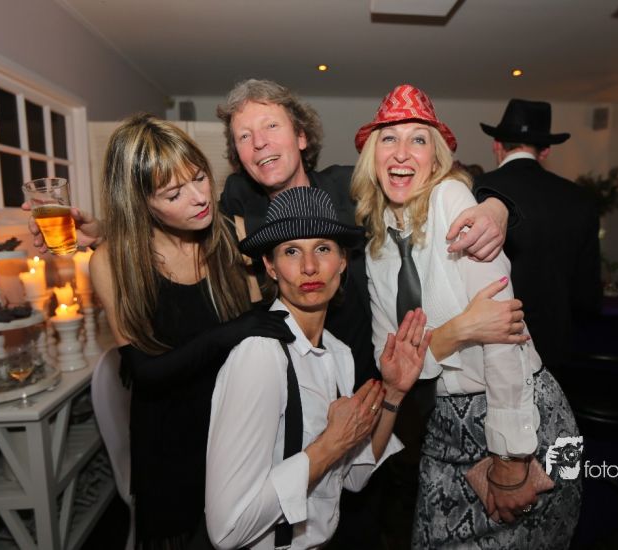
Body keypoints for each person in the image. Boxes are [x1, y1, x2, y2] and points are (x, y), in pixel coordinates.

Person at [215, 79, 530, 547]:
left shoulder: (352, 187)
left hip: (379, 383)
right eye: (245, 135)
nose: (259, 142)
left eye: (271, 127)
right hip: (294, 384)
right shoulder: (238, 207)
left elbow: (431, 181)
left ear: (301, 135)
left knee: (366, 513)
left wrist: (496, 206)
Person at [352, 84, 582, 549]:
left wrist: (511, 456)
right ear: (372, 155)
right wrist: (459, 331)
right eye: (389, 138)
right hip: (444, 423)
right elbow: (390, 361)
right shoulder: (376, 244)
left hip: (518, 412)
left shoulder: (451, 199)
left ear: (435, 159)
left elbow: (503, 335)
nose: (402, 152)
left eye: (418, 139)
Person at [84, 114, 293, 549]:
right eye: (174, 193)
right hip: (170, 443)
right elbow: (146, 373)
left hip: (237, 430)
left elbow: (261, 330)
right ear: (140, 203)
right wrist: (228, 333)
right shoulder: (113, 262)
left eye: (199, 178)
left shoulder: (230, 234)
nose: (200, 198)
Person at [205, 186, 430, 549]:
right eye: (291, 251)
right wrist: (331, 442)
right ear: (270, 267)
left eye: (323, 249)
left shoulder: (338, 353)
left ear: (342, 261)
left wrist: (393, 394)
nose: (309, 267)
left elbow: (352, 477)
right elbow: (227, 530)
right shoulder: (260, 356)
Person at [476, 99, 602, 368]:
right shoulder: (580, 199)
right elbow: (587, 294)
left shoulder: (476, 189)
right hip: (556, 338)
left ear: (496, 145)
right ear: (544, 151)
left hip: (491, 340)